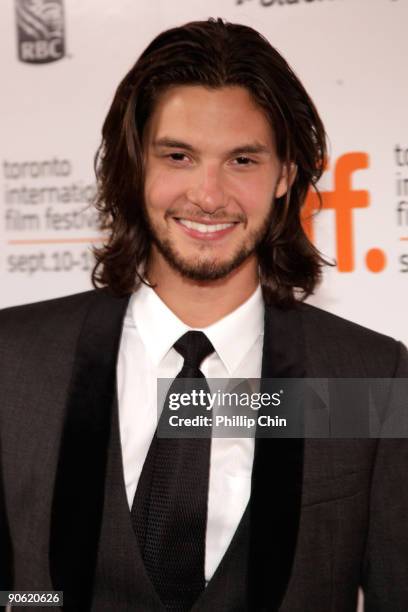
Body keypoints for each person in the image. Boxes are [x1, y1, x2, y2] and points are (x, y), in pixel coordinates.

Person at [0, 18, 407, 612]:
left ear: (284, 177)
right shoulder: (15, 362)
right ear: (136, 166)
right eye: (179, 156)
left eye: (242, 160)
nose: (209, 195)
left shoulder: (369, 377)